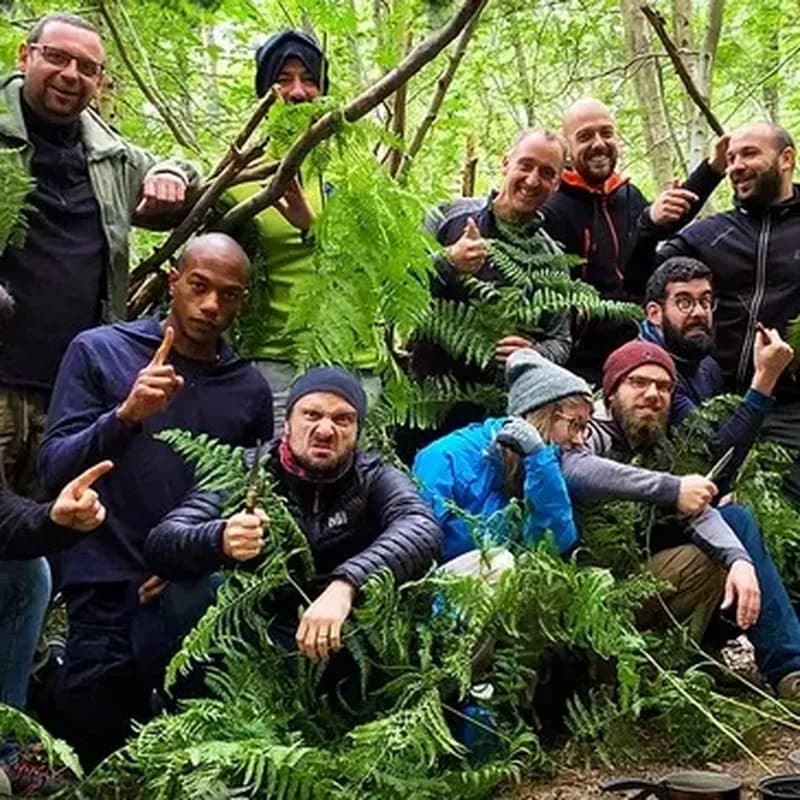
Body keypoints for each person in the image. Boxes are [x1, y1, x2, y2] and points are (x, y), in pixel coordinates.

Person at [37, 233, 273, 767]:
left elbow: (246, 495)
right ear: (174, 282)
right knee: (92, 745)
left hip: (195, 592)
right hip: (105, 581)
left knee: (189, 759)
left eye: (229, 295)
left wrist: (186, 555)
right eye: (199, 287)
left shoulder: (249, 389)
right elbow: (53, 469)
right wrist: (125, 416)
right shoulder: (100, 350)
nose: (212, 306)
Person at [0, 11, 200, 496]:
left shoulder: (109, 156)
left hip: (72, 391)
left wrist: (173, 173)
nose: (71, 74)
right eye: (57, 58)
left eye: (87, 68)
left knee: (56, 532)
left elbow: (188, 177)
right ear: (25, 57)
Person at [144, 366, 441, 670]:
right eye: (311, 415)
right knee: (188, 590)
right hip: (254, 627)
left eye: (342, 419)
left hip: (339, 633)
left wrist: (348, 582)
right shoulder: (245, 471)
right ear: (286, 423)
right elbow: (163, 542)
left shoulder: (374, 476)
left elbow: (421, 527)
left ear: (357, 432)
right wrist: (219, 538)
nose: (325, 431)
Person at [562, 340, 800, 696]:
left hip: (637, 586)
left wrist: (739, 560)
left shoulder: (659, 446)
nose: (652, 394)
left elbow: (699, 509)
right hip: (582, 594)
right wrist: (671, 488)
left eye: (663, 387)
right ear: (611, 393)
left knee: (730, 528)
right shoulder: (589, 432)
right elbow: (573, 469)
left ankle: (783, 671)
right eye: (638, 383)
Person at [225, 30, 379, 433]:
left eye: (308, 79)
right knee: (278, 485)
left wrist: (311, 225)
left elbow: (380, 265)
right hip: (276, 365)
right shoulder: (241, 175)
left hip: (355, 364)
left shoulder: (356, 169)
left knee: (355, 491)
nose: (297, 92)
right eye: (283, 79)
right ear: (264, 92)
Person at [402, 129, 572, 460]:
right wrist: (447, 262)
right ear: (506, 164)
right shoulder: (447, 217)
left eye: (547, 173)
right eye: (526, 165)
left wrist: (534, 354)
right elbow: (399, 284)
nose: (533, 180)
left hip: (495, 418)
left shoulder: (551, 259)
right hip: (422, 402)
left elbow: (562, 341)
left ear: (557, 184)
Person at [658, 122, 800, 503]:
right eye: (731, 158)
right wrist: (703, 178)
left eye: (750, 154)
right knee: (712, 513)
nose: (736, 165)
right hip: (716, 402)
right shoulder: (712, 233)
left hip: (791, 408)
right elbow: (643, 274)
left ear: (786, 159)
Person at [541, 98, 727, 381]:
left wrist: (713, 168)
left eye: (606, 133)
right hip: (578, 364)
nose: (599, 143)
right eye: (585, 136)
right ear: (567, 146)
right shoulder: (554, 207)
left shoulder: (627, 196)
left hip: (636, 349)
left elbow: (654, 228)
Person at [412, 349, 589, 568]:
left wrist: (540, 461)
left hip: (503, 585)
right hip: (448, 581)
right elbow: (419, 539)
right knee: (499, 561)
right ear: (541, 415)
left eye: (584, 428)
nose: (580, 440)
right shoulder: (447, 456)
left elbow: (555, 544)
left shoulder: (544, 462)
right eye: (575, 425)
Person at [640, 256, 794, 486]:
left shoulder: (706, 364)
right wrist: (765, 378)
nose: (699, 313)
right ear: (654, 313)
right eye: (684, 302)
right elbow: (711, 459)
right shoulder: (652, 375)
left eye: (705, 301)